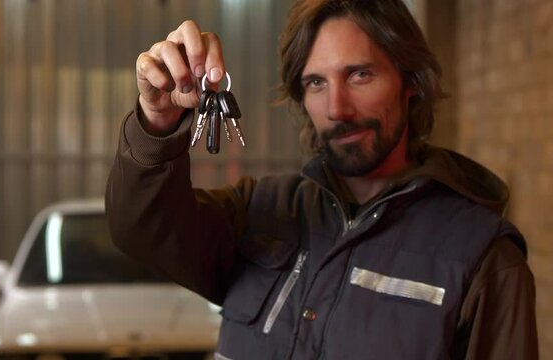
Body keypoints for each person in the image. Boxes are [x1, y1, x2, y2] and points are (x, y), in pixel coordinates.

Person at [105, 0, 539, 359]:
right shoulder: (260, 211)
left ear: (411, 82)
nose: (337, 108)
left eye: (359, 74)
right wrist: (158, 121)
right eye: (315, 82)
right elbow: (141, 228)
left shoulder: (484, 259)